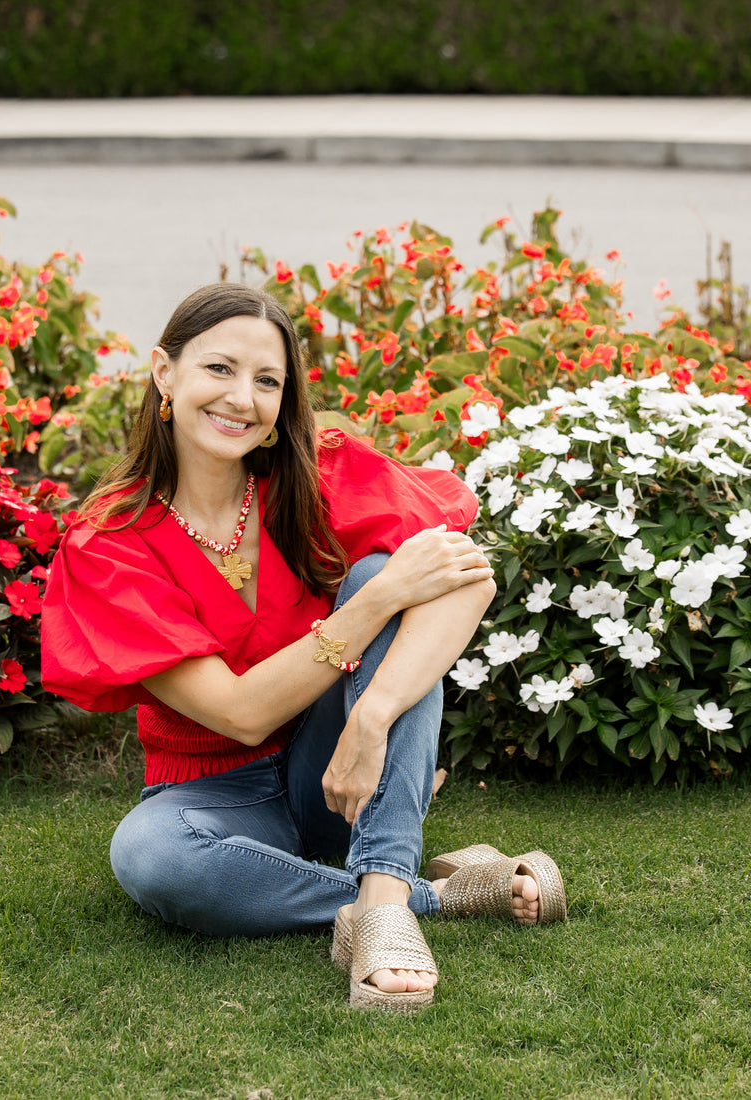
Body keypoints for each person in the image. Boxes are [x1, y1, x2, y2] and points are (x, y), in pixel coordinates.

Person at [41, 283, 565, 1011]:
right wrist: (375, 601)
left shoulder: (314, 475)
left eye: (267, 381)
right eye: (219, 369)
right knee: (150, 857)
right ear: (165, 373)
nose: (241, 399)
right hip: (214, 795)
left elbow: (466, 578)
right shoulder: (111, 544)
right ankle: (435, 894)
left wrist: (372, 717)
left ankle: (380, 900)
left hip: (338, 771)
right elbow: (240, 713)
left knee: (389, 568)